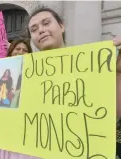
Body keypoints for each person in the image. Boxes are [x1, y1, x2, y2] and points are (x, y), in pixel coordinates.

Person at [27, 7, 121, 158]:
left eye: (46, 23)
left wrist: (117, 73)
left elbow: (115, 112)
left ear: (62, 26)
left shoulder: (93, 64)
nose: (41, 30)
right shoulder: (24, 73)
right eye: (34, 29)